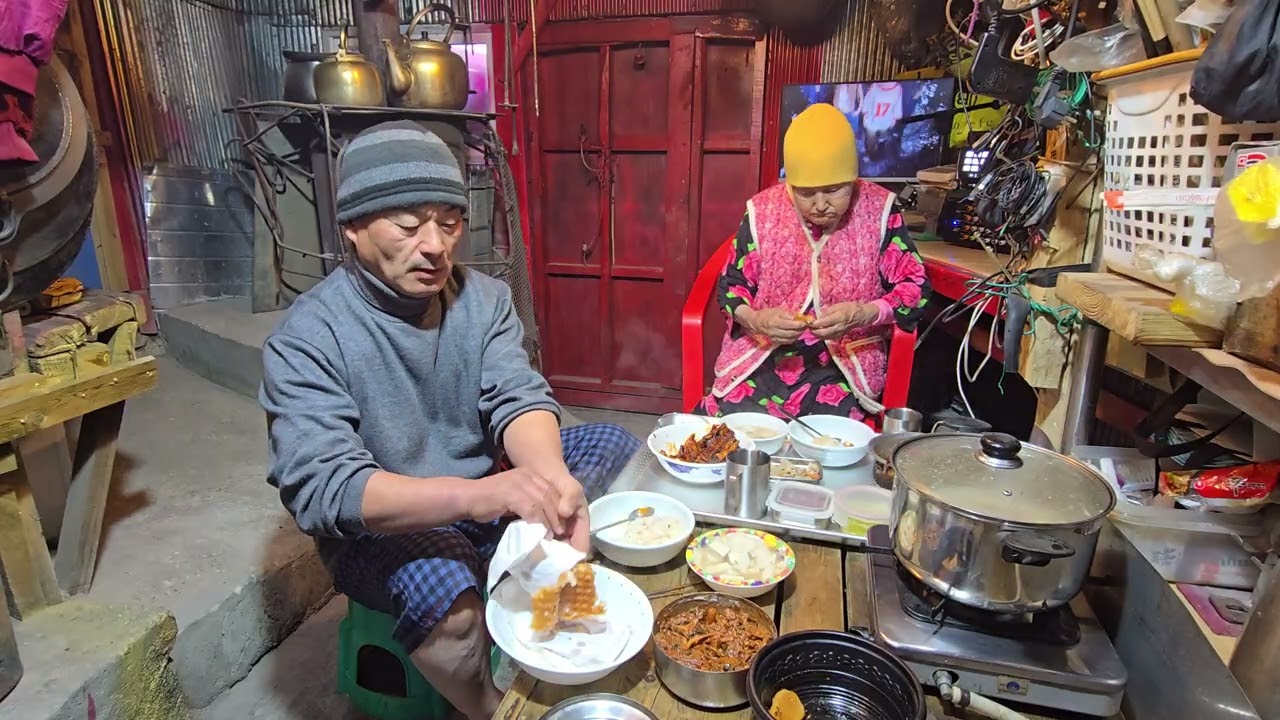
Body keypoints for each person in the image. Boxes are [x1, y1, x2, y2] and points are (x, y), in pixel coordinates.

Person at [259, 121, 640, 720]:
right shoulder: (309, 337)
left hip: (484, 493)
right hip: (386, 525)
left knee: (614, 449)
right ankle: (490, 708)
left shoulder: (482, 298)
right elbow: (325, 489)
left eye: (449, 221)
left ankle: (546, 636)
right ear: (354, 228)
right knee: (452, 602)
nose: (435, 244)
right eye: (409, 225)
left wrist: (549, 485)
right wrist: (477, 496)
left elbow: (517, 394)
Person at [698, 103, 931, 421]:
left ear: (854, 179)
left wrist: (864, 313)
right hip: (764, 354)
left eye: (834, 190)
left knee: (830, 435)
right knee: (733, 425)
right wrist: (756, 320)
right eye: (806, 193)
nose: (821, 205)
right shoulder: (762, 211)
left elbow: (915, 288)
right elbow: (732, 287)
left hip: (845, 360)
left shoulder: (879, 210)